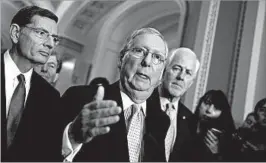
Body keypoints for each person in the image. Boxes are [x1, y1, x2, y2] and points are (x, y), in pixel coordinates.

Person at [60, 27, 169, 162]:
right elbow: (41, 152)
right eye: (139, 51)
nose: (147, 61)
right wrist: (72, 137)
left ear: (161, 76)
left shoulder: (161, 120)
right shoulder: (80, 98)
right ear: (121, 59)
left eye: (157, 57)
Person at [1, 6, 62, 161]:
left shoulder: (51, 97)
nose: (50, 44)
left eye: (54, 38)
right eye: (41, 33)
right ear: (16, 33)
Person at [158, 47, 200, 161]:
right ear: (164, 70)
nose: (181, 77)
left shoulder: (191, 120)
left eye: (188, 73)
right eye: (177, 68)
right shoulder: (141, 102)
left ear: (191, 83)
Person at [193, 90, 236, 161]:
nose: (209, 110)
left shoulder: (226, 139)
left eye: (216, 107)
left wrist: (216, 153)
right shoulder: (185, 123)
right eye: (207, 103)